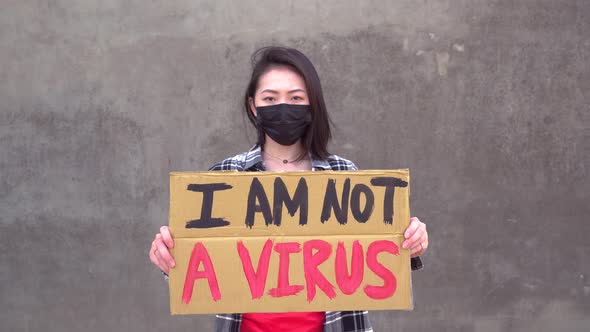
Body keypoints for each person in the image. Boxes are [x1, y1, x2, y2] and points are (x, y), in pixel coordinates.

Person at [149, 46, 429, 332]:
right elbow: (202, 269)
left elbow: (373, 259)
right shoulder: (224, 177)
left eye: (296, 98)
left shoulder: (344, 175)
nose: (283, 106)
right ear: (253, 106)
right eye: (270, 98)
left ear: (311, 106)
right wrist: (169, 256)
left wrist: (410, 241)